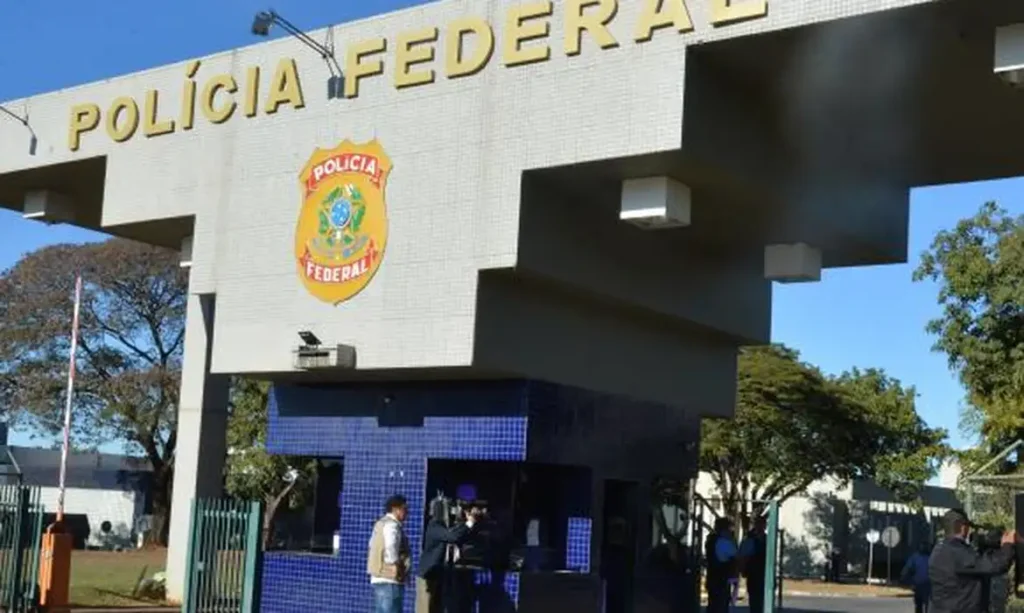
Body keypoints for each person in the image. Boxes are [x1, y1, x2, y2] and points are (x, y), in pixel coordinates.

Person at [928, 508, 1017, 613]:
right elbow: (997, 565)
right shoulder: (959, 552)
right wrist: (1008, 544)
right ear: (963, 527)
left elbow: (973, 566)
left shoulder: (938, 550)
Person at [415, 498, 481, 613]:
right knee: (425, 608)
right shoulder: (434, 526)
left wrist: (469, 522)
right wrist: (468, 523)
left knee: (436, 608)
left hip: (438, 574)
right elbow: (452, 537)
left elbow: (458, 535)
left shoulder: (443, 528)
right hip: (428, 575)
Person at [368, 494, 411, 613]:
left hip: (378, 577)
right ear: (396, 509)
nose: (407, 512)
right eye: (405, 508)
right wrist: (395, 564)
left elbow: (371, 545)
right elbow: (391, 546)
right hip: (390, 579)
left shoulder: (380, 524)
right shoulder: (392, 525)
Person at [705, 517, 739, 613]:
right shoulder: (725, 543)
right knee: (721, 606)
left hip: (712, 577)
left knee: (713, 605)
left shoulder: (711, 541)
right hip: (722, 580)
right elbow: (736, 557)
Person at [739, 514, 768, 613]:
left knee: (762, 600)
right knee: (755, 600)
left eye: (763, 524)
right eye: (759, 524)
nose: (762, 526)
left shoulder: (767, 539)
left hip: (764, 573)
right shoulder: (749, 539)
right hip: (753, 574)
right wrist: (743, 570)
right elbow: (743, 557)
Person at [901, 541, 932, 613]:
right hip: (919, 584)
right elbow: (907, 569)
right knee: (919, 604)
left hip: (927, 584)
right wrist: (904, 577)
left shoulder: (930, 557)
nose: (923, 548)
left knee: (926, 605)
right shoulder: (915, 557)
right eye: (922, 546)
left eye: (925, 546)